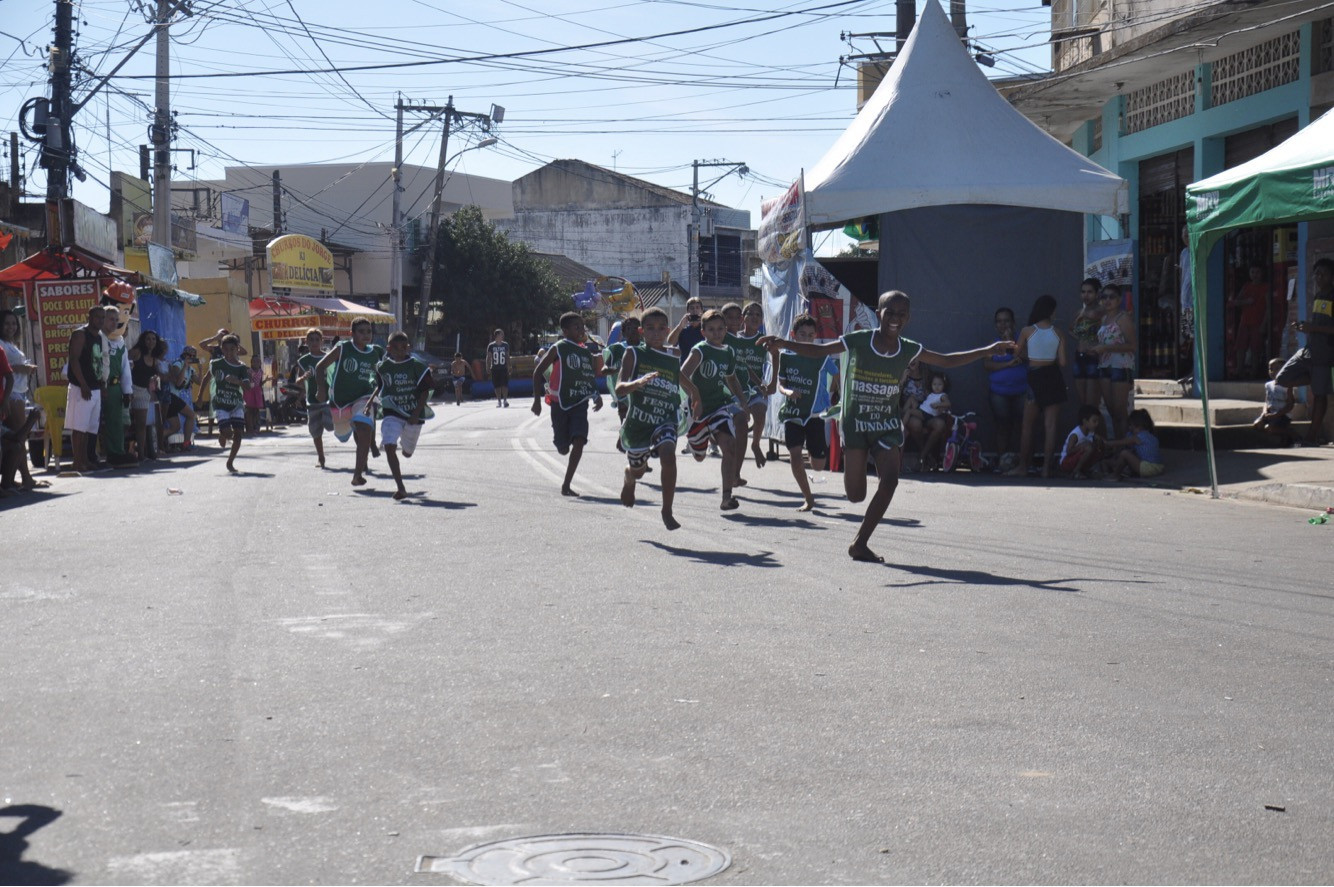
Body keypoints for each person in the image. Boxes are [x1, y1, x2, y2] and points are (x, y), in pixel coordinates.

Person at [759, 290, 1013, 563]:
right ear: (878, 313)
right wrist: (784, 343)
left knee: (890, 480)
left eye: (901, 313)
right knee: (856, 496)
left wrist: (986, 351)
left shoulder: (908, 348)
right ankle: (854, 472)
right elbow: (820, 350)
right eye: (889, 312)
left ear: (908, 317)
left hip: (886, 424)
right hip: (856, 424)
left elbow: (947, 359)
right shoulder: (859, 340)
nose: (895, 318)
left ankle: (860, 543)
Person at [614, 307, 682, 529]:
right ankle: (629, 477)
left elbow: (680, 378)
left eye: (661, 328)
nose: (656, 333)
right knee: (639, 471)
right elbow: (620, 388)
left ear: (668, 330)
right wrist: (638, 383)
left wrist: (696, 394)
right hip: (640, 421)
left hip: (665, 416)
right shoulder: (634, 354)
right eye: (650, 329)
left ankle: (667, 511)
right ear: (642, 331)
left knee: (669, 455)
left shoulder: (673, 355)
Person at [680, 309, 748, 511]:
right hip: (698, 411)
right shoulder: (700, 350)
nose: (716, 333)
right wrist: (695, 396)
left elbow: (731, 378)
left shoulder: (728, 352)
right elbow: (681, 375)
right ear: (703, 332)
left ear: (726, 330)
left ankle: (726, 497)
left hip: (720, 406)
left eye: (720, 329)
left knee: (729, 445)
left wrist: (743, 400)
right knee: (700, 457)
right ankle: (697, 444)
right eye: (711, 329)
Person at [531, 311, 604, 497]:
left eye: (582, 326)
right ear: (565, 331)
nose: (581, 330)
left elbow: (588, 377)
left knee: (579, 441)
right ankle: (560, 441)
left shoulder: (585, 352)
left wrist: (596, 395)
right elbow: (538, 372)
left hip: (579, 403)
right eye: (576, 327)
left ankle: (566, 484)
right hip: (559, 402)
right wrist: (537, 401)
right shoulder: (559, 348)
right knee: (563, 448)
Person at [766, 313, 830, 511]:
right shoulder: (787, 357)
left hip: (815, 414)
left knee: (818, 465)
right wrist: (789, 392)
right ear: (794, 335)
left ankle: (812, 455)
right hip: (793, 413)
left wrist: (831, 394)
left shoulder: (821, 356)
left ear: (815, 336)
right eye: (802, 334)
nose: (806, 338)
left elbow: (837, 374)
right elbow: (781, 385)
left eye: (810, 335)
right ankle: (808, 497)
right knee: (794, 455)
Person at [317, 317, 385, 487]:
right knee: (343, 435)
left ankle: (357, 474)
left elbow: (383, 374)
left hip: (363, 397)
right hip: (340, 402)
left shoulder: (375, 352)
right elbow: (320, 367)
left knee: (364, 427)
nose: (366, 335)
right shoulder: (343, 348)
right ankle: (366, 444)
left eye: (369, 331)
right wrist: (321, 390)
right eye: (361, 331)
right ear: (351, 333)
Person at [1008, 294, 1069, 478]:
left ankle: (1022, 466)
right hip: (1053, 376)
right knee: (1050, 425)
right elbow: (1063, 362)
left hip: (1035, 377)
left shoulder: (1027, 331)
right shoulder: (1058, 333)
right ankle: (1045, 469)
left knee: (1028, 425)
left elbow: (1016, 354)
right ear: (1051, 311)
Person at [371, 331, 433, 500]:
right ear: (389, 349)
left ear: (408, 348)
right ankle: (401, 487)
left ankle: (406, 449)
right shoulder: (383, 368)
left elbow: (425, 391)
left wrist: (415, 413)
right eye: (395, 348)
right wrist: (371, 401)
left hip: (413, 414)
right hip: (393, 412)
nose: (399, 351)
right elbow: (380, 386)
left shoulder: (418, 366)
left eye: (403, 348)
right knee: (389, 445)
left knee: (407, 452)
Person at [724, 301, 772, 480]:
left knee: (760, 413)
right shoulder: (730, 338)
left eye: (758, 315)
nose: (754, 317)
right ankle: (735, 472)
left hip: (752, 388)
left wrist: (762, 384)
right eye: (750, 314)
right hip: (734, 389)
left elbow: (773, 360)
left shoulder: (762, 341)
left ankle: (756, 444)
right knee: (739, 428)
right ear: (744, 318)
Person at [0, 309, 42, 491]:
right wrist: (23, 369)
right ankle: (26, 477)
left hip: (18, 392)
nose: (11, 327)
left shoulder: (11, 344)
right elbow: (7, 369)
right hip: (12, 395)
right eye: (7, 323)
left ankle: (14, 478)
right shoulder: (1, 344)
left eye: (13, 323)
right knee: (19, 436)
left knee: (16, 439)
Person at [1294, 256, 1333, 445]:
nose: (1319, 277)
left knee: (1321, 394)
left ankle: (1312, 435)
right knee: (1318, 391)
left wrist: (1313, 328)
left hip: (1328, 354)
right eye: (1316, 274)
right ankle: (1312, 435)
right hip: (1317, 353)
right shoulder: (1319, 297)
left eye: (1323, 274)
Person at [65, 305, 105, 474]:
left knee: (89, 427)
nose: (100, 320)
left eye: (103, 317)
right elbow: (74, 360)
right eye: (97, 317)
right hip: (81, 387)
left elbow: (97, 362)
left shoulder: (99, 336)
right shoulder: (80, 334)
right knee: (79, 427)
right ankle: (77, 462)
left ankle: (86, 460)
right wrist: (83, 384)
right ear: (89, 317)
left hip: (95, 388)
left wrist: (101, 384)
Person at [1094, 284, 1137, 440]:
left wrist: (1106, 347)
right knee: (1111, 411)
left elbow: (1133, 346)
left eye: (1111, 297)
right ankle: (1118, 445)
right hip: (1104, 366)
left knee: (1120, 411)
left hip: (1120, 366)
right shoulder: (1104, 319)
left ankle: (1124, 447)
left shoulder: (1123, 318)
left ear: (1119, 300)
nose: (1107, 300)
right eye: (1104, 297)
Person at [985, 306, 1026, 460]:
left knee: (1025, 426)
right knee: (1002, 426)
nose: (1003, 325)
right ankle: (1002, 460)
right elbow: (987, 366)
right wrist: (1007, 365)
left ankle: (1024, 461)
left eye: (1006, 321)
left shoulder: (1022, 341)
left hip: (1022, 391)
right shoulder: (993, 345)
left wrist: (1013, 344)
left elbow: (1028, 357)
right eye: (999, 322)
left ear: (1013, 323)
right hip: (999, 393)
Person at [208, 334, 251, 473]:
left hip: (236, 403)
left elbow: (248, 386)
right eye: (226, 349)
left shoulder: (242, 367)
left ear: (237, 349)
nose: (229, 352)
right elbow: (208, 379)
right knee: (228, 432)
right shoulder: (216, 364)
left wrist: (237, 381)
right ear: (221, 349)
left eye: (232, 349)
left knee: (238, 434)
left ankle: (230, 462)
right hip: (220, 403)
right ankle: (223, 433)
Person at [99, 306, 135, 465]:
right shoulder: (98, 338)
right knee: (93, 423)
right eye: (110, 319)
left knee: (116, 422)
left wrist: (127, 391)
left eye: (116, 320)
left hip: (114, 387)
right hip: (97, 386)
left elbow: (125, 368)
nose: (114, 323)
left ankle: (116, 452)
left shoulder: (120, 343)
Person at [292, 329, 333, 468]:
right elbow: (297, 381)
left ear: (322, 341)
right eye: (311, 340)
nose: (314, 342)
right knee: (315, 431)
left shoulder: (329, 357)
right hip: (312, 401)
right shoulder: (304, 360)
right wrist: (303, 378)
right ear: (307, 342)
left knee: (330, 425)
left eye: (317, 339)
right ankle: (321, 457)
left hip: (328, 400)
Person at [129, 330, 167, 462]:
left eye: (153, 339)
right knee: (129, 423)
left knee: (142, 424)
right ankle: (132, 452)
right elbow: (125, 363)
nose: (151, 342)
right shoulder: (137, 352)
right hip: (131, 389)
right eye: (148, 339)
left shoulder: (155, 359)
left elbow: (157, 376)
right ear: (143, 341)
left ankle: (141, 454)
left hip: (145, 392)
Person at [1229, 262, 1269, 378]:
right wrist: (1246, 302)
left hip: (1258, 322)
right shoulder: (1246, 286)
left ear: (1262, 273)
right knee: (1240, 347)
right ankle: (1239, 370)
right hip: (1245, 322)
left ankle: (1254, 371)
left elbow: (1268, 308)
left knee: (1256, 348)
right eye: (1252, 272)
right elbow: (1235, 302)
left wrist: (1264, 324)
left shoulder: (1266, 287)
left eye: (1257, 272)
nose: (1255, 275)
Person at [1070, 278, 1103, 409]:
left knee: (1092, 404)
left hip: (1094, 358)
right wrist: (1082, 338)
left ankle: (1096, 429)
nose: (1086, 295)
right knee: (1083, 403)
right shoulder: (1080, 312)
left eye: (1090, 292)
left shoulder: (1102, 312)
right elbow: (1070, 329)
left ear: (1097, 294)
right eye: (1083, 292)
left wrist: (1095, 343)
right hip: (1079, 356)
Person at [1104, 408, 1164, 479]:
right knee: (1128, 453)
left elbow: (1121, 442)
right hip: (1159, 467)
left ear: (1138, 426)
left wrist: (1106, 443)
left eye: (1132, 426)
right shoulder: (1151, 436)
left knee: (1125, 453)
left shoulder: (1138, 437)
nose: (1130, 428)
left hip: (1148, 468)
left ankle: (1115, 475)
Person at [1253, 356, 1297, 446]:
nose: (1273, 371)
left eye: (1277, 369)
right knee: (1257, 424)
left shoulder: (1288, 385)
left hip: (1282, 415)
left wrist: (1276, 415)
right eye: (1270, 369)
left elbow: (1290, 405)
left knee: (1270, 428)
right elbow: (1267, 401)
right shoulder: (1268, 385)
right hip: (1270, 412)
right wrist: (1264, 412)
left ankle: (1290, 433)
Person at [164, 345, 199, 450]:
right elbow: (177, 383)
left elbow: (199, 382)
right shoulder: (178, 364)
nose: (191, 357)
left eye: (193, 356)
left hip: (173, 398)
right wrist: (184, 366)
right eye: (189, 355)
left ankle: (155, 439)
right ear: (184, 355)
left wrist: (200, 369)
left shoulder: (190, 369)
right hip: (170, 396)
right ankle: (186, 443)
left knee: (175, 427)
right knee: (191, 415)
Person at [1058, 405, 1104, 479]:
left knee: (1098, 448)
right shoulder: (1075, 434)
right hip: (1066, 462)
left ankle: (1085, 470)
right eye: (1094, 421)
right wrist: (1081, 447)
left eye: (1098, 421)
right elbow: (1068, 451)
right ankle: (1076, 471)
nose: (1097, 424)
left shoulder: (1091, 432)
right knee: (1089, 448)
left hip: (1077, 459)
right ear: (1085, 421)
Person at [486, 329, 511, 408]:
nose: (502, 336)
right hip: (495, 368)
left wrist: (509, 366)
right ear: (497, 335)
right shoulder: (491, 345)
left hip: (503, 368)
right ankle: (499, 401)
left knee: (505, 384)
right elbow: (489, 357)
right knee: (497, 385)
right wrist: (487, 366)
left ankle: (505, 400)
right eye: (501, 334)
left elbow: (507, 356)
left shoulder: (505, 345)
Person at [244, 353, 266, 433]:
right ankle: (249, 428)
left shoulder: (261, 371)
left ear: (260, 363)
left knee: (256, 411)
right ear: (251, 363)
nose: (256, 363)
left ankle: (256, 427)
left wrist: (265, 381)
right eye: (254, 361)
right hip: (250, 391)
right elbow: (248, 381)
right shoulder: (249, 371)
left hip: (257, 392)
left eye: (258, 362)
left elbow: (259, 383)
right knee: (249, 410)